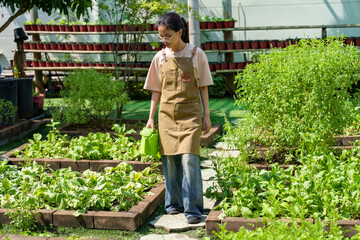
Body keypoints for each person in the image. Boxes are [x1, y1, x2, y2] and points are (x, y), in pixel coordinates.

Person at [144, 12, 213, 224]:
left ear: (179, 32)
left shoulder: (196, 54)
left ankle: (193, 209)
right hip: (166, 115)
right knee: (170, 161)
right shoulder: (160, 57)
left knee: (189, 159)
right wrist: (151, 118)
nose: (164, 40)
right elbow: (156, 89)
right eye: (161, 36)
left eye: (167, 35)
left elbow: (203, 86)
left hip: (191, 115)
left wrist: (207, 116)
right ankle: (174, 204)